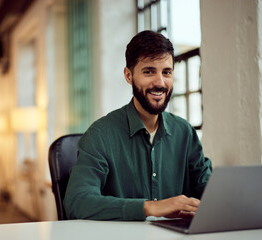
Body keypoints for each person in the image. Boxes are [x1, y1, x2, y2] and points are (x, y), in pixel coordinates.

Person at [63, 30, 212, 221]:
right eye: (149, 71)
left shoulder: (185, 132)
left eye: (167, 72)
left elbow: (209, 190)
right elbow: (77, 202)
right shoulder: (100, 134)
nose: (160, 82)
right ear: (128, 75)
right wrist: (150, 207)